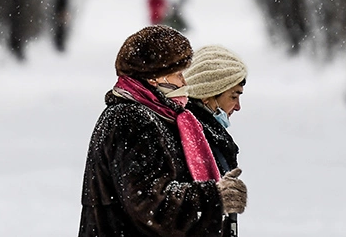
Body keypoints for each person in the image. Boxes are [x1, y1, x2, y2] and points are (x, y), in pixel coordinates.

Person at [79, 26, 248, 237]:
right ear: (154, 77)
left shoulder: (153, 116)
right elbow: (148, 204)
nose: (184, 83)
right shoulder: (131, 119)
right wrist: (214, 197)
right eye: (178, 74)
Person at [183, 46, 248, 236]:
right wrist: (217, 197)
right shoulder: (194, 139)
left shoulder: (209, 134)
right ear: (207, 95)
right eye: (233, 96)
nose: (238, 107)